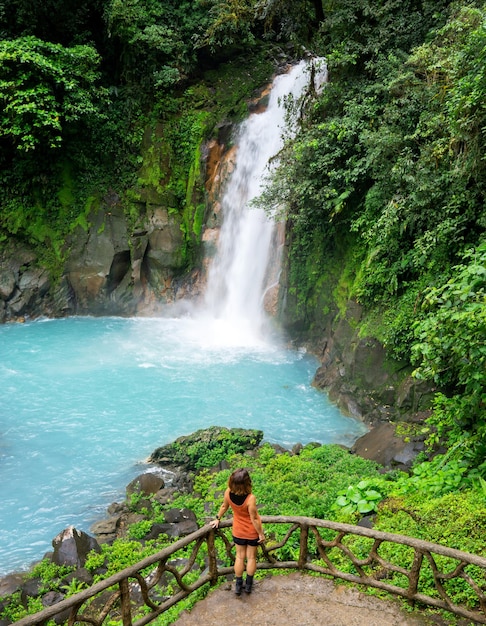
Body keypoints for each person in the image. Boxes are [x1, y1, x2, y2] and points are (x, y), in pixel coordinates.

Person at [210, 468, 265, 595]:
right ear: (247, 483)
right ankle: (248, 586)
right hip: (251, 532)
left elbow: (224, 506)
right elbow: (254, 519)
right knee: (251, 558)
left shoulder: (228, 492)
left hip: (238, 531)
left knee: (239, 557)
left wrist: (217, 519)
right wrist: (261, 534)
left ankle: (238, 585)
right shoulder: (250, 498)